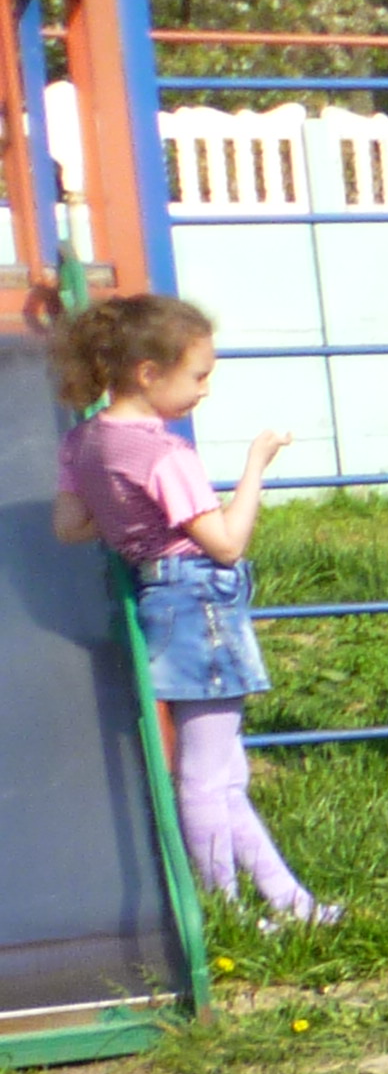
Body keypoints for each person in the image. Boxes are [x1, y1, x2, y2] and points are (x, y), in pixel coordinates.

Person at [49, 293, 334, 925]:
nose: (205, 388)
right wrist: (256, 466)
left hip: (157, 598)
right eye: (198, 374)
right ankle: (225, 913)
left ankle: (294, 905)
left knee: (226, 773)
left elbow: (71, 525)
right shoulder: (166, 455)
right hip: (201, 602)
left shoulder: (85, 442)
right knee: (207, 779)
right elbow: (227, 544)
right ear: (149, 372)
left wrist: (130, 519)